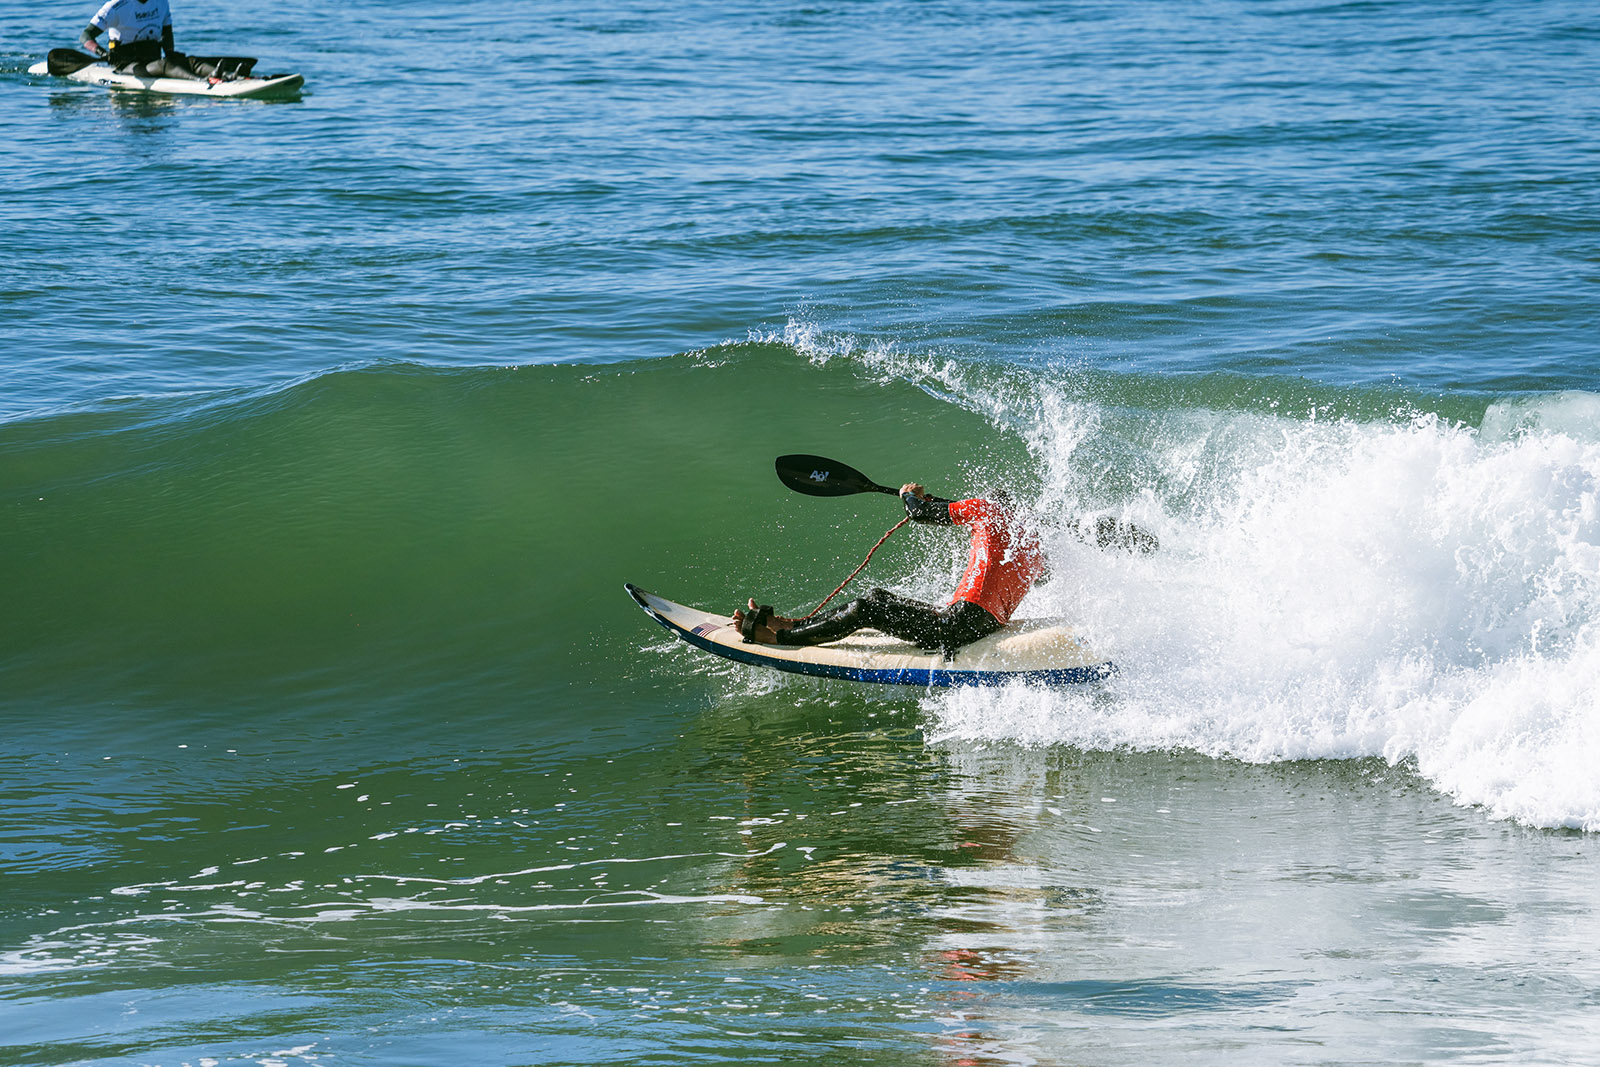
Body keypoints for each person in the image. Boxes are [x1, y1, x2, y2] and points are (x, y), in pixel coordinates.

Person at [733, 482, 1046, 657]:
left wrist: (908, 495)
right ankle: (797, 623)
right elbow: (949, 511)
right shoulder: (1030, 541)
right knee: (877, 597)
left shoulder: (984, 509)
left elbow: (920, 513)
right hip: (973, 624)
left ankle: (779, 639)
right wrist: (937, 502)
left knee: (863, 608)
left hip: (953, 628)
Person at [80, 0, 206, 81]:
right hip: (126, 65)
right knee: (165, 65)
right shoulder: (115, 7)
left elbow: (167, 32)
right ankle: (201, 81)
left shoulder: (161, 2)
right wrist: (103, 53)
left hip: (153, 60)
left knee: (190, 61)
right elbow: (86, 36)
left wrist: (170, 53)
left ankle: (222, 75)